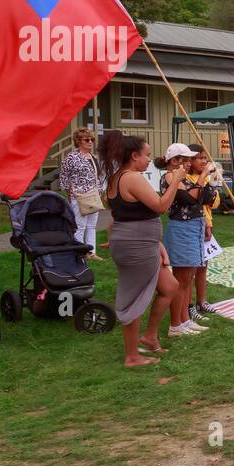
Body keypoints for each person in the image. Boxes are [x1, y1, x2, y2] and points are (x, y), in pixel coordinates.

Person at [100, 131, 183, 368]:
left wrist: (156, 243)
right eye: (146, 155)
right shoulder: (131, 177)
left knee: (170, 286)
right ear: (134, 156)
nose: (149, 159)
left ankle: (149, 336)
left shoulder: (118, 176)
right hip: (136, 246)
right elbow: (160, 206)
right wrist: (176, 179)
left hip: (138, 242)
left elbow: (118, 217)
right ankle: (132, 356)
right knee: (135, 297)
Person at [159, 143, 213, 338]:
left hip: (193, 228)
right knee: (181, 280)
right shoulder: (170, 177)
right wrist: (202, 176)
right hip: (182, 230)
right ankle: (176, 324)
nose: (189, 164)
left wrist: (206, 182)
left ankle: (184, 319)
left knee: (188, 278)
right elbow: (190, 199)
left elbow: (203, 197)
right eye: (186, 160)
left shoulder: (182, 177)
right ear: (175, 161)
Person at [58, 127, 104, 259]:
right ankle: (78, 252)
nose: (90, 142)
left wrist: (99, 191)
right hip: (79, 197)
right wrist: (71, 194)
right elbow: (64, 178)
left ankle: (91, 252)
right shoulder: (71, 157)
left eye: (92, 139)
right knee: (80, 225)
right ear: (78, 141)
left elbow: (99, 176)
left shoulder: (93, 157)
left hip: (94, 196)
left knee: (92, 225)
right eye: (87, 140)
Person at [186, 144, 218, 324]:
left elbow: (214, 203)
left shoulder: (204, 178)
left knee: (203, 265)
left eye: (205, 158)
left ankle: (201, 301)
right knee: (191, 268)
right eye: (200, 158)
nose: (204, 161)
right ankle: (189, 305)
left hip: (206, 224)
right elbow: (196, 202)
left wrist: (213, 183)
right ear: (190, 161)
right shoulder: (188, 178)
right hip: (195, 225)